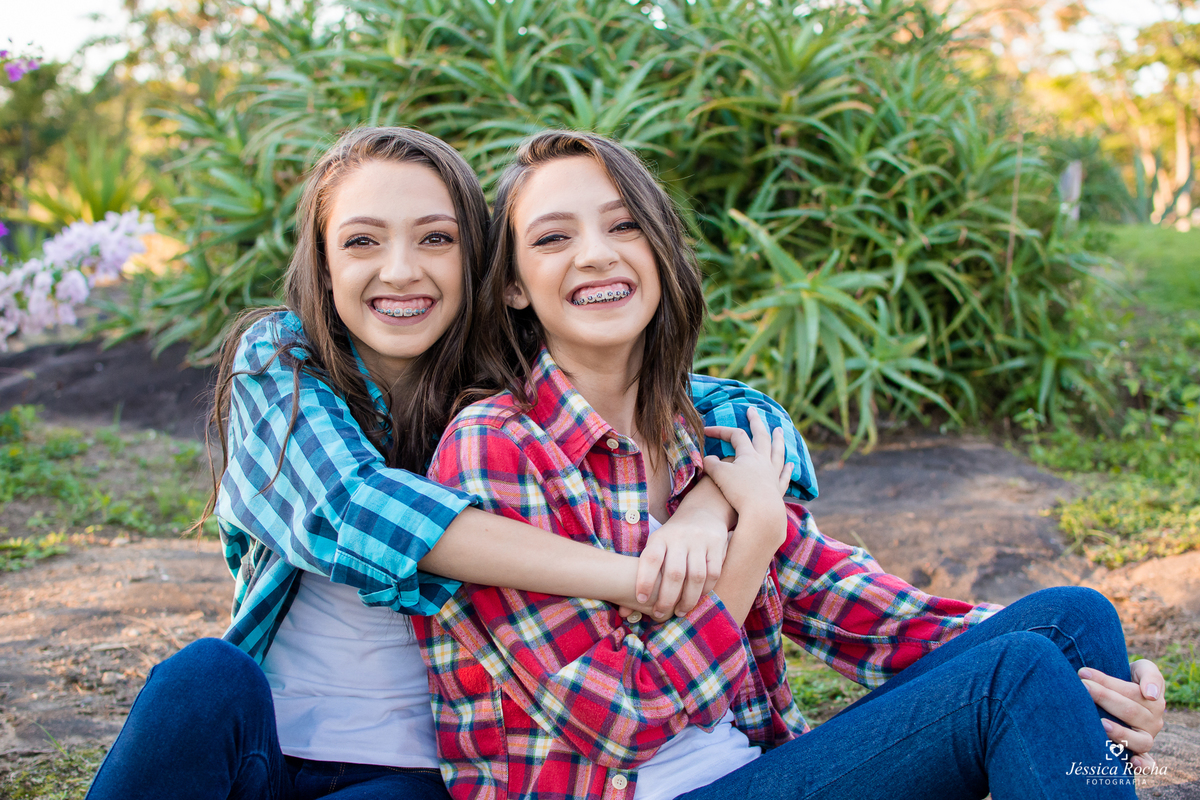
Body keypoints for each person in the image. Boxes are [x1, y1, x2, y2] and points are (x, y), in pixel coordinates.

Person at [416, 130, 1167, 800]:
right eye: (552, 239)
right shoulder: (499, 444)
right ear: (512, 284)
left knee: (1073, 624)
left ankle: (1093, 760)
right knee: (1020, 680)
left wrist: (1113, 696)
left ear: (659, 248)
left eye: (624, 224)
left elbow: (867, 614)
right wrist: (755, 536)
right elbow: (621, 719)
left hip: (752, 772)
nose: (596, 253)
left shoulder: (699, 438)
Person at [84, 127, 817, 800]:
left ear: (478, 260)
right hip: (263, 740)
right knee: (202, 678)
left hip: (419, 769)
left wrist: (704, 510)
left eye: (436, 239)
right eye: (362, 242)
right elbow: (355, 511)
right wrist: (636, 579)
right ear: (324, 262)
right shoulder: (282, 362)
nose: (400, 272)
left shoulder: (510, 386)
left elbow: (739, 413)